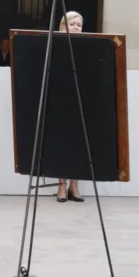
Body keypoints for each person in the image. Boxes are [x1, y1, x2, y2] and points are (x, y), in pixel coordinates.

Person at [55, 11, 85, 203]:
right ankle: (61, 186)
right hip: (60, 98)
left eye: (78, 25)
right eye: (72, 24)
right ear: (63, 26)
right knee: (60, 143)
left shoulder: (87, 45)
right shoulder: (56, 44)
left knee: (79, 143)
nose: (75, 27)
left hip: (81, 98)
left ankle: (75, 185)